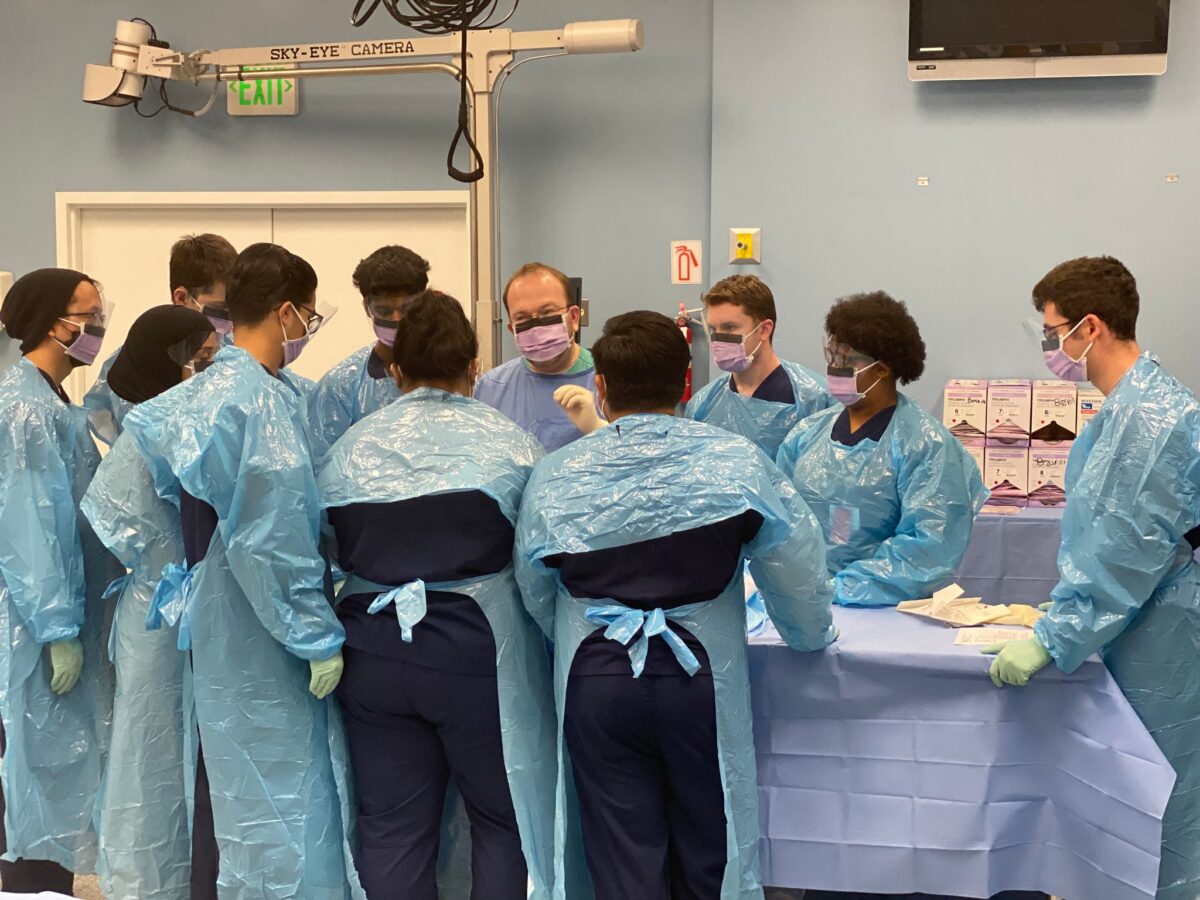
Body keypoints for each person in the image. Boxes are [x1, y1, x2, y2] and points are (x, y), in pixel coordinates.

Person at [515, 310, 836, 900]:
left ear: (601, 387)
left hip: (597, 677)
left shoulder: (557, 475)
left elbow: (534, 589)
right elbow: (796, 566)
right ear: (687, 382)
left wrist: (573, 630)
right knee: (708, 848)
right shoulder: (735, 462)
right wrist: (809, 634)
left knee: (622, 855)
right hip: (700, 684)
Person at [119, 243, 361, 899]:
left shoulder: (199, 393)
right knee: (281, 799)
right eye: (309, 316)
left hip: (210, 615)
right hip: (263, 634)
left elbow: (129, 509)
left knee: (222, 785)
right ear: (286, 312)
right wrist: (313, 635)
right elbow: (273, 539)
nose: (308, 330)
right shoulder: (258, 405)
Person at [319, 289, 556, 899]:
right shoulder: (511, 446)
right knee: (500, 820)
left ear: (395, 370)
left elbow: (316, 550)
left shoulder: (348, 451)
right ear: (474, 366)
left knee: (392, 826)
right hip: (477, 655)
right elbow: (538, 568)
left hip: (370, 652)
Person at [984, 256, 1200, 900]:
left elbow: (1121, 554)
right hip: (1149, 622)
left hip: (1159, 635)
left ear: (1091, 327)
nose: (1050, 346)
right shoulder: (1135, 406)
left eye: (1052, 332)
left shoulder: (1147, 421)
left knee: (1156, 804)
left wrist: (1054, 637)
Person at [79, 305, 217, 900]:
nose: (203, 370)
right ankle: (148, 885)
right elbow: (116, 521)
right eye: (198, 358)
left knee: (172, 751)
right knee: (150, 755)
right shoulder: (155, 428)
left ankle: (178, 878)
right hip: (159, 612)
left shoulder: (168, 421)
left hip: (167, 608)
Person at [0, 268, 122, 893]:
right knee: (38, 761)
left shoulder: (52, 400)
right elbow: (27, 524)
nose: (97, 325)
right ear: (55, 322)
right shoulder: (23, 406)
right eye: (89, 314)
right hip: (36, 621)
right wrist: (54, 627)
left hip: (62, 612)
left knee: (58, 763)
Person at [776, 292, 989, 607]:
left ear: (882, 369)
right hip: (804, 602)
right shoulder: (807, 435)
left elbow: (927, 551)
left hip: (889, 609)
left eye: (846, 360)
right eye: (831, 355)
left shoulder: (926, 445)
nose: (834, 368)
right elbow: (778, 517)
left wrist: (838, 588)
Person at [83, 233, 237, 446]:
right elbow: (139, 445)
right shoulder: (141, 362)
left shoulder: (235, 355)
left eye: (234, 312)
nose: (229, 324)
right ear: (182, 297)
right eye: (219, 311)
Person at [686, 274, 832, 458]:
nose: (718, 338)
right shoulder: (703, 404)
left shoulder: (813, 398)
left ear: (764, 330)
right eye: (714, 329)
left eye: (730, 327)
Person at [307, 245, 430, 462]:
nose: (395, 319)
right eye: (383, 311)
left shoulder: (448, 372)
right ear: (367, 308)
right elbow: (319, 465)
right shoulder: (342, 386)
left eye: (406, 310)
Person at [474, 262, 599, 451]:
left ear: (574, 317)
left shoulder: (610, 382)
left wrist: (599, 427)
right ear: (512, 329)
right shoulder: (492, 388)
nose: (537, 328)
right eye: (522, 318)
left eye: (548, 312)